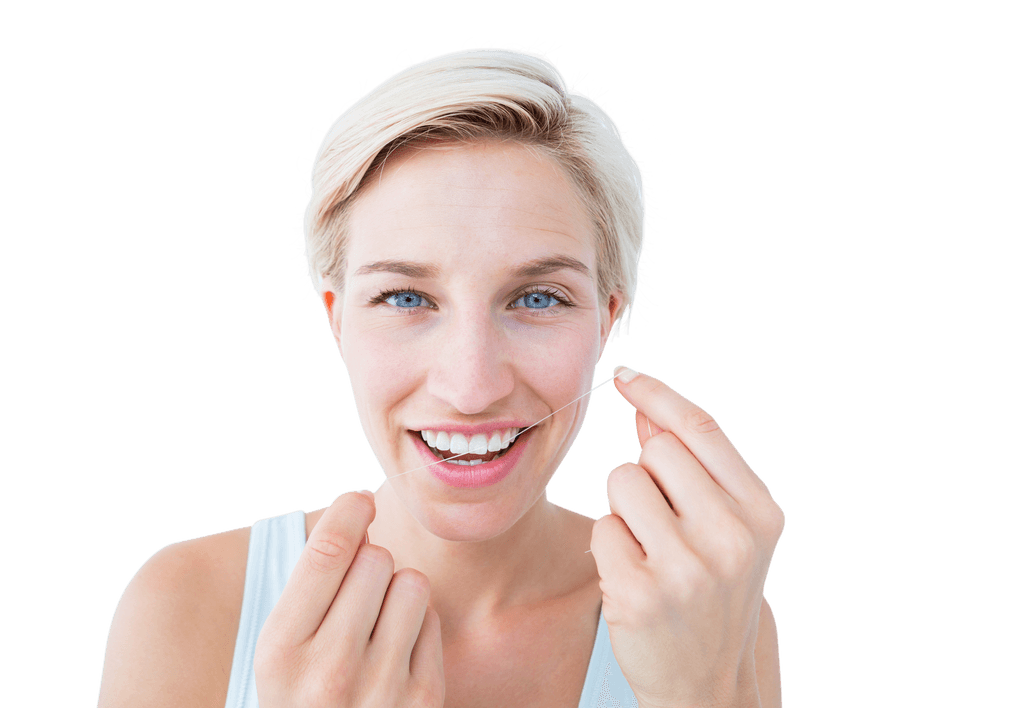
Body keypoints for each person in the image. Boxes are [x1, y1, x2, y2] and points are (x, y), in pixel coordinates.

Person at [97, 44, 785, 708]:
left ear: (607, 317)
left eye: (537, 298)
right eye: (405, 299)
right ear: (338, 320)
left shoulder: (704, 617)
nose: (471, 387)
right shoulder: (188, 606)